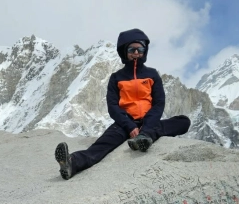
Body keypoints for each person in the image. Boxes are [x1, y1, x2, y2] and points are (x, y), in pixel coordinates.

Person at [55, 28, 191, 180]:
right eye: (132, 49)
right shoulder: (116, 77)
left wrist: (146, 127)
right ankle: (71, 163)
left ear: (144, 51)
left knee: (183, 121)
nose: (136, 53)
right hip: (125, 123)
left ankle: (146, 137)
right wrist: (130, 126)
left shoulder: (152, 74)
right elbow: (113, 106)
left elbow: (159, 103)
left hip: (149, 122)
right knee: (101, 146)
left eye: (140, 49)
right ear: (124, 52)